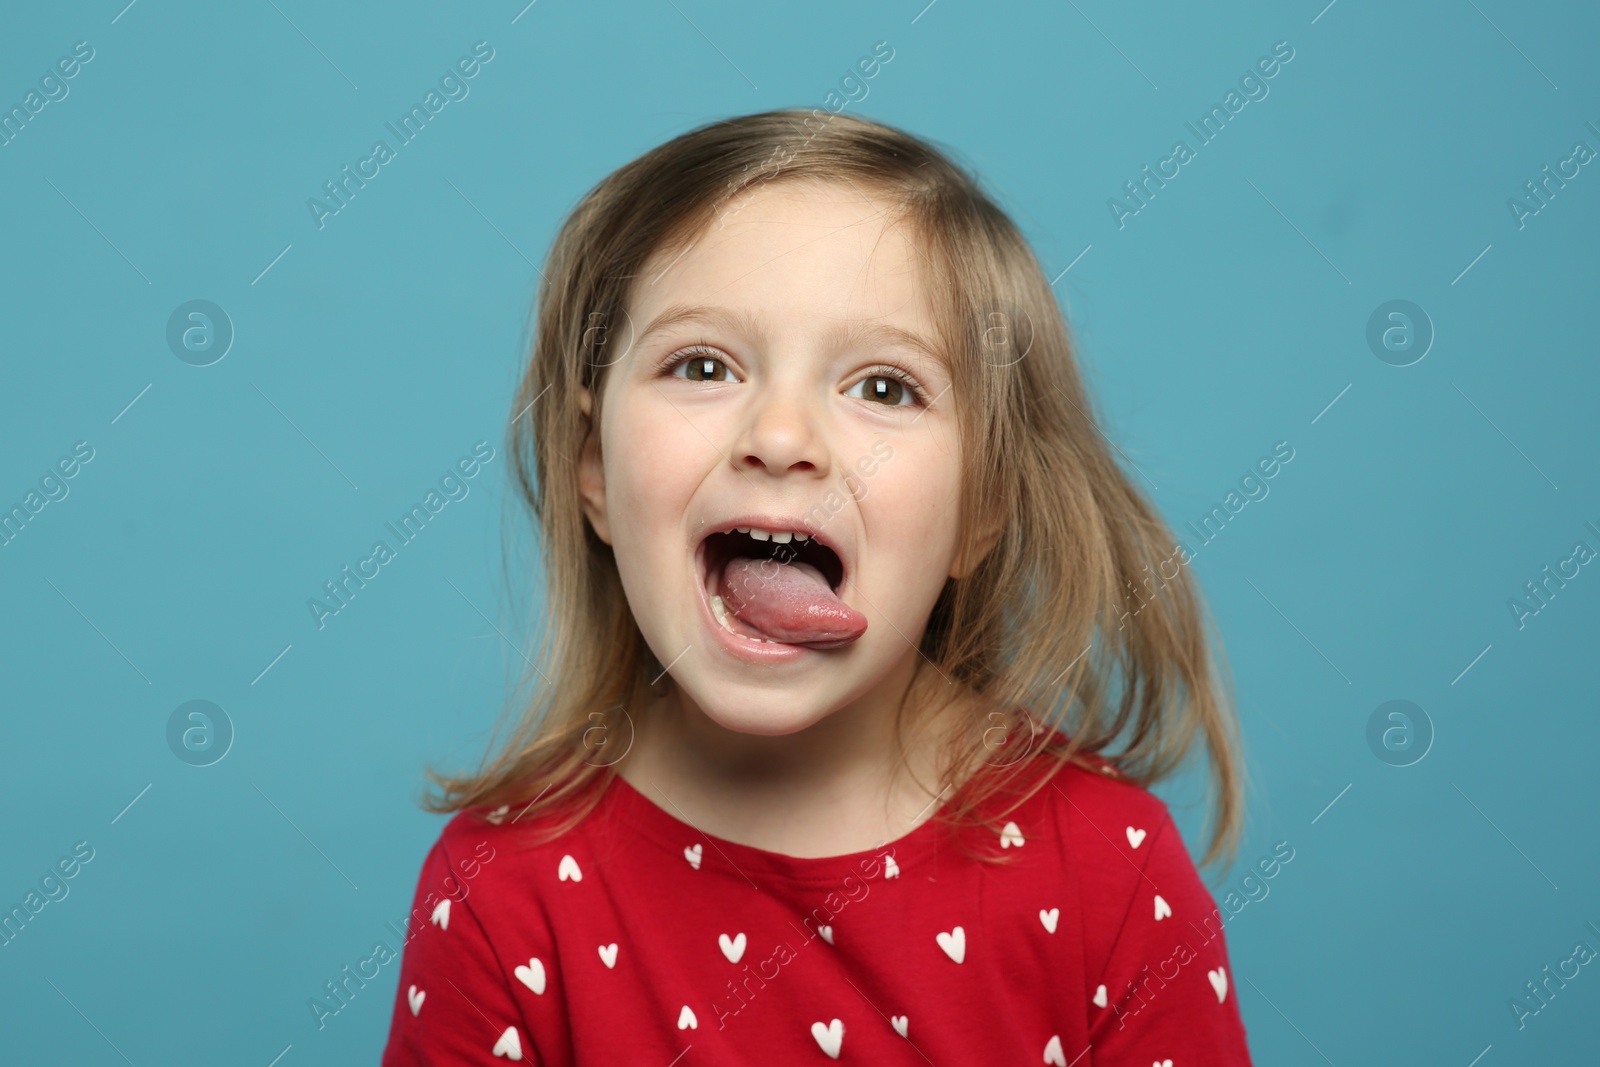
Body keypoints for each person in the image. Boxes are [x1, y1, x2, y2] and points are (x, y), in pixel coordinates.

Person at [381, 108, 1253, 1064]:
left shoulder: (1107, 872)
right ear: (594, 467)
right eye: (703, 365)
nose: (783, 436)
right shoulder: (505, 894)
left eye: (884, 386)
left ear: (983, 506)